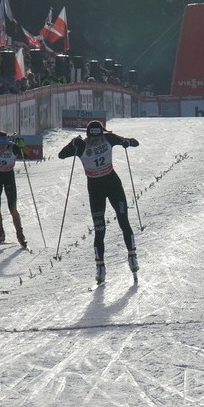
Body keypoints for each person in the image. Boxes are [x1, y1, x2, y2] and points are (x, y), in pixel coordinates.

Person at [57, 120, 140, 284]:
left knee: (124, 221)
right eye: (92, 138)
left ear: (102, 133)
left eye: (98, 137)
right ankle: (100, 267)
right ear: (88, 135)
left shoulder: (109, 138)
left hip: (113, 184)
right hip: (95, 189)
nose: (96, 141)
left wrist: (126, 142)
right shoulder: (81, 145)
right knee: (99, 229)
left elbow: (135, 142)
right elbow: (61, 155)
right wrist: (71, 143)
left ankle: (132, 256)